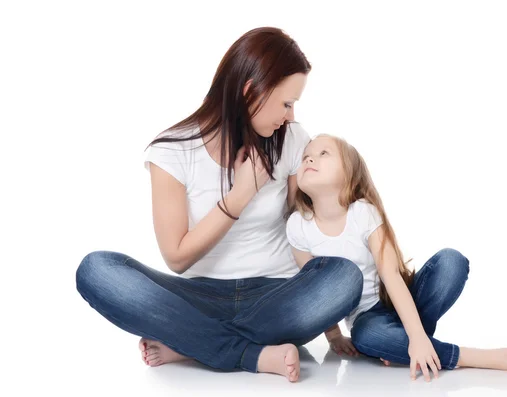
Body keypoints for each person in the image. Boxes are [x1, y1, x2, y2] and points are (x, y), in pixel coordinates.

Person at [75, 27, 364, 383]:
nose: (290, 116)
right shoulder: (172, 151)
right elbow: (177, 257)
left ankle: (192, 343)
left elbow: (301, 232)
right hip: (197, 296)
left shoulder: (291, 139)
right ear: (250, 91)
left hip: (277, 295)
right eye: (286, 103)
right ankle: (248, 353)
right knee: (97, 270)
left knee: (345, 277)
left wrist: (333, 329)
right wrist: (239, 195)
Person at [285, 134, 507, 382]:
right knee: (366, 336)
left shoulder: (363, 212)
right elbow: (316, 292)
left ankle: (408, 343)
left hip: (399, 296)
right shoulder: (298, 227)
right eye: (305, 157)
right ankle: (463, 356)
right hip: (368, 318)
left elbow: (390, 274)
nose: (310, 158)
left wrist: (418, 337)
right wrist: (334, 336)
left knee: (451, 262)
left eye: (324, 153)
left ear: (349, 171)